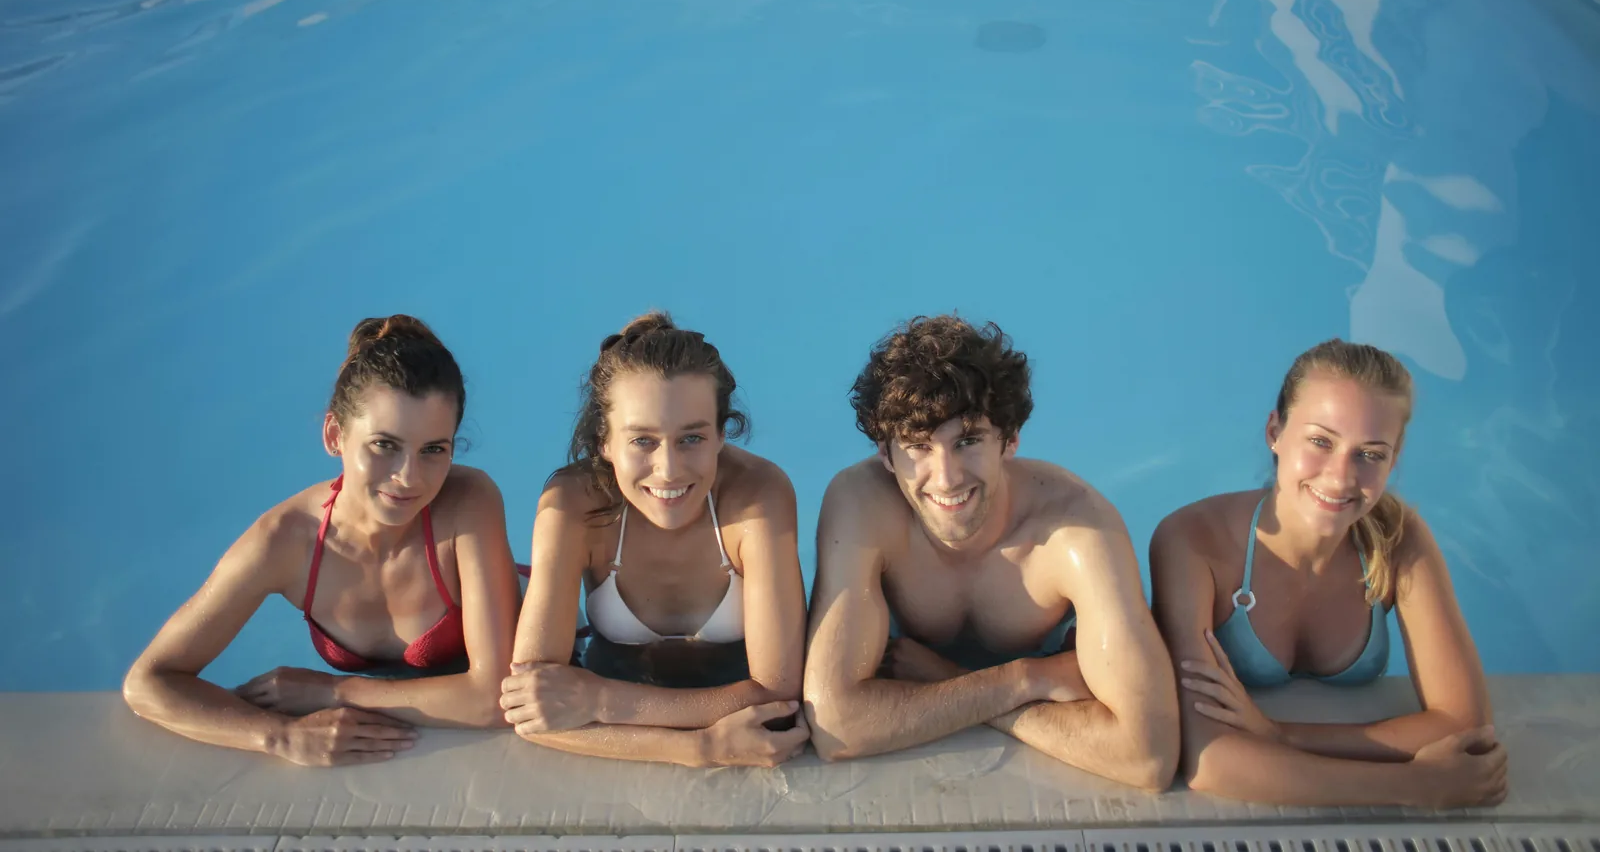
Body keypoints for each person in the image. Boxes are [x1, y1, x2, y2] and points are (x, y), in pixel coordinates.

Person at [123, 316, 522, 766]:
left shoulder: (468, 502)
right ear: (335, 435)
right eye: (384, 445)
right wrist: (279, 736)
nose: (409, 477)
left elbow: (493, 700)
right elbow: (149, 681)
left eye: (434, 450)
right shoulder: (286, 541)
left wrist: (334, 691)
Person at [803, 315, 1179, 790]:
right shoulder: (861, 504)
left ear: (1010, 437)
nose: (947, 478)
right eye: (919, 446)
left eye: (968, 441)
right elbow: (836, 728)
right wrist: (1025, 680)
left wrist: (947, 679)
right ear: (885, 453)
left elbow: (1149, 757)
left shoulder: (1075, 534)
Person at [1149, 339, 1507, 807]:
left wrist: (1280, 734)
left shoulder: (1399, 539)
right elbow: (1210, 759)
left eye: (1371, 454)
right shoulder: (1194, 541)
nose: (1340, 477)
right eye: (1321, 442)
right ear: (1274, 431)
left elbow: (1466, 725)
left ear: (1393, 460)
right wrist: (1418, 785)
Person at [500, 313, 810, 768]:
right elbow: (529, 706)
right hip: (648, 705)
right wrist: (699, 747)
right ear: (604, 442)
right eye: (643, 440)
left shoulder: (758, 496)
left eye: (692, 438)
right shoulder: (574, 506)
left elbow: (779, 695)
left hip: (610, 706)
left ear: (723, 433)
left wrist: (600, 700)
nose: (669, 470)